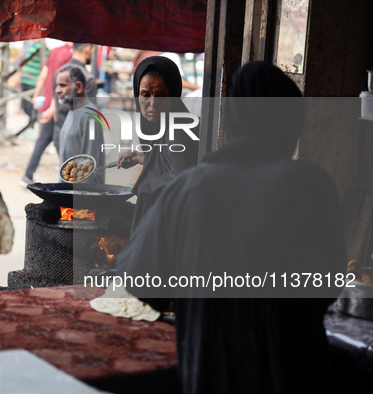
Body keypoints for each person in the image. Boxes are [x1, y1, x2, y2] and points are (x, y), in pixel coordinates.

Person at [118, 61, 346, 393]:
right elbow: (329, 284)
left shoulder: (187, 189)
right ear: (289, 126)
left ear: (234, 122)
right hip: (296, 374)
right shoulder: (313, 185)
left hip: (211, 374)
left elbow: (143, 284)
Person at [117, 56, 199, 230]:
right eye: (145, 95)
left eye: (161, 95)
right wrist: (140, 156)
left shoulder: (179, 130)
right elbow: (167, 164)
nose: (153, 103)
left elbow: (179, 185)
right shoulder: (165, 126)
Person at [20, 42, 72, 185]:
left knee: (45, 139)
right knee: (60, 141)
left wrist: (36, 96)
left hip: (50, 101)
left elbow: (43, 75)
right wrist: (54, 108)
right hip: (57, 105)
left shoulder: (54, 51)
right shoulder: (70, 55)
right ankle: (67, 179)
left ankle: (28, 175)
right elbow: (62, 85)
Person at [56, 65, 105, 183]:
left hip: (83, 195)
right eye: (57, 85)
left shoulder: (89, 116)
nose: (57, 90)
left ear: (78, 87)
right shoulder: (72, 110)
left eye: (63, 85)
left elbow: (88, 167)